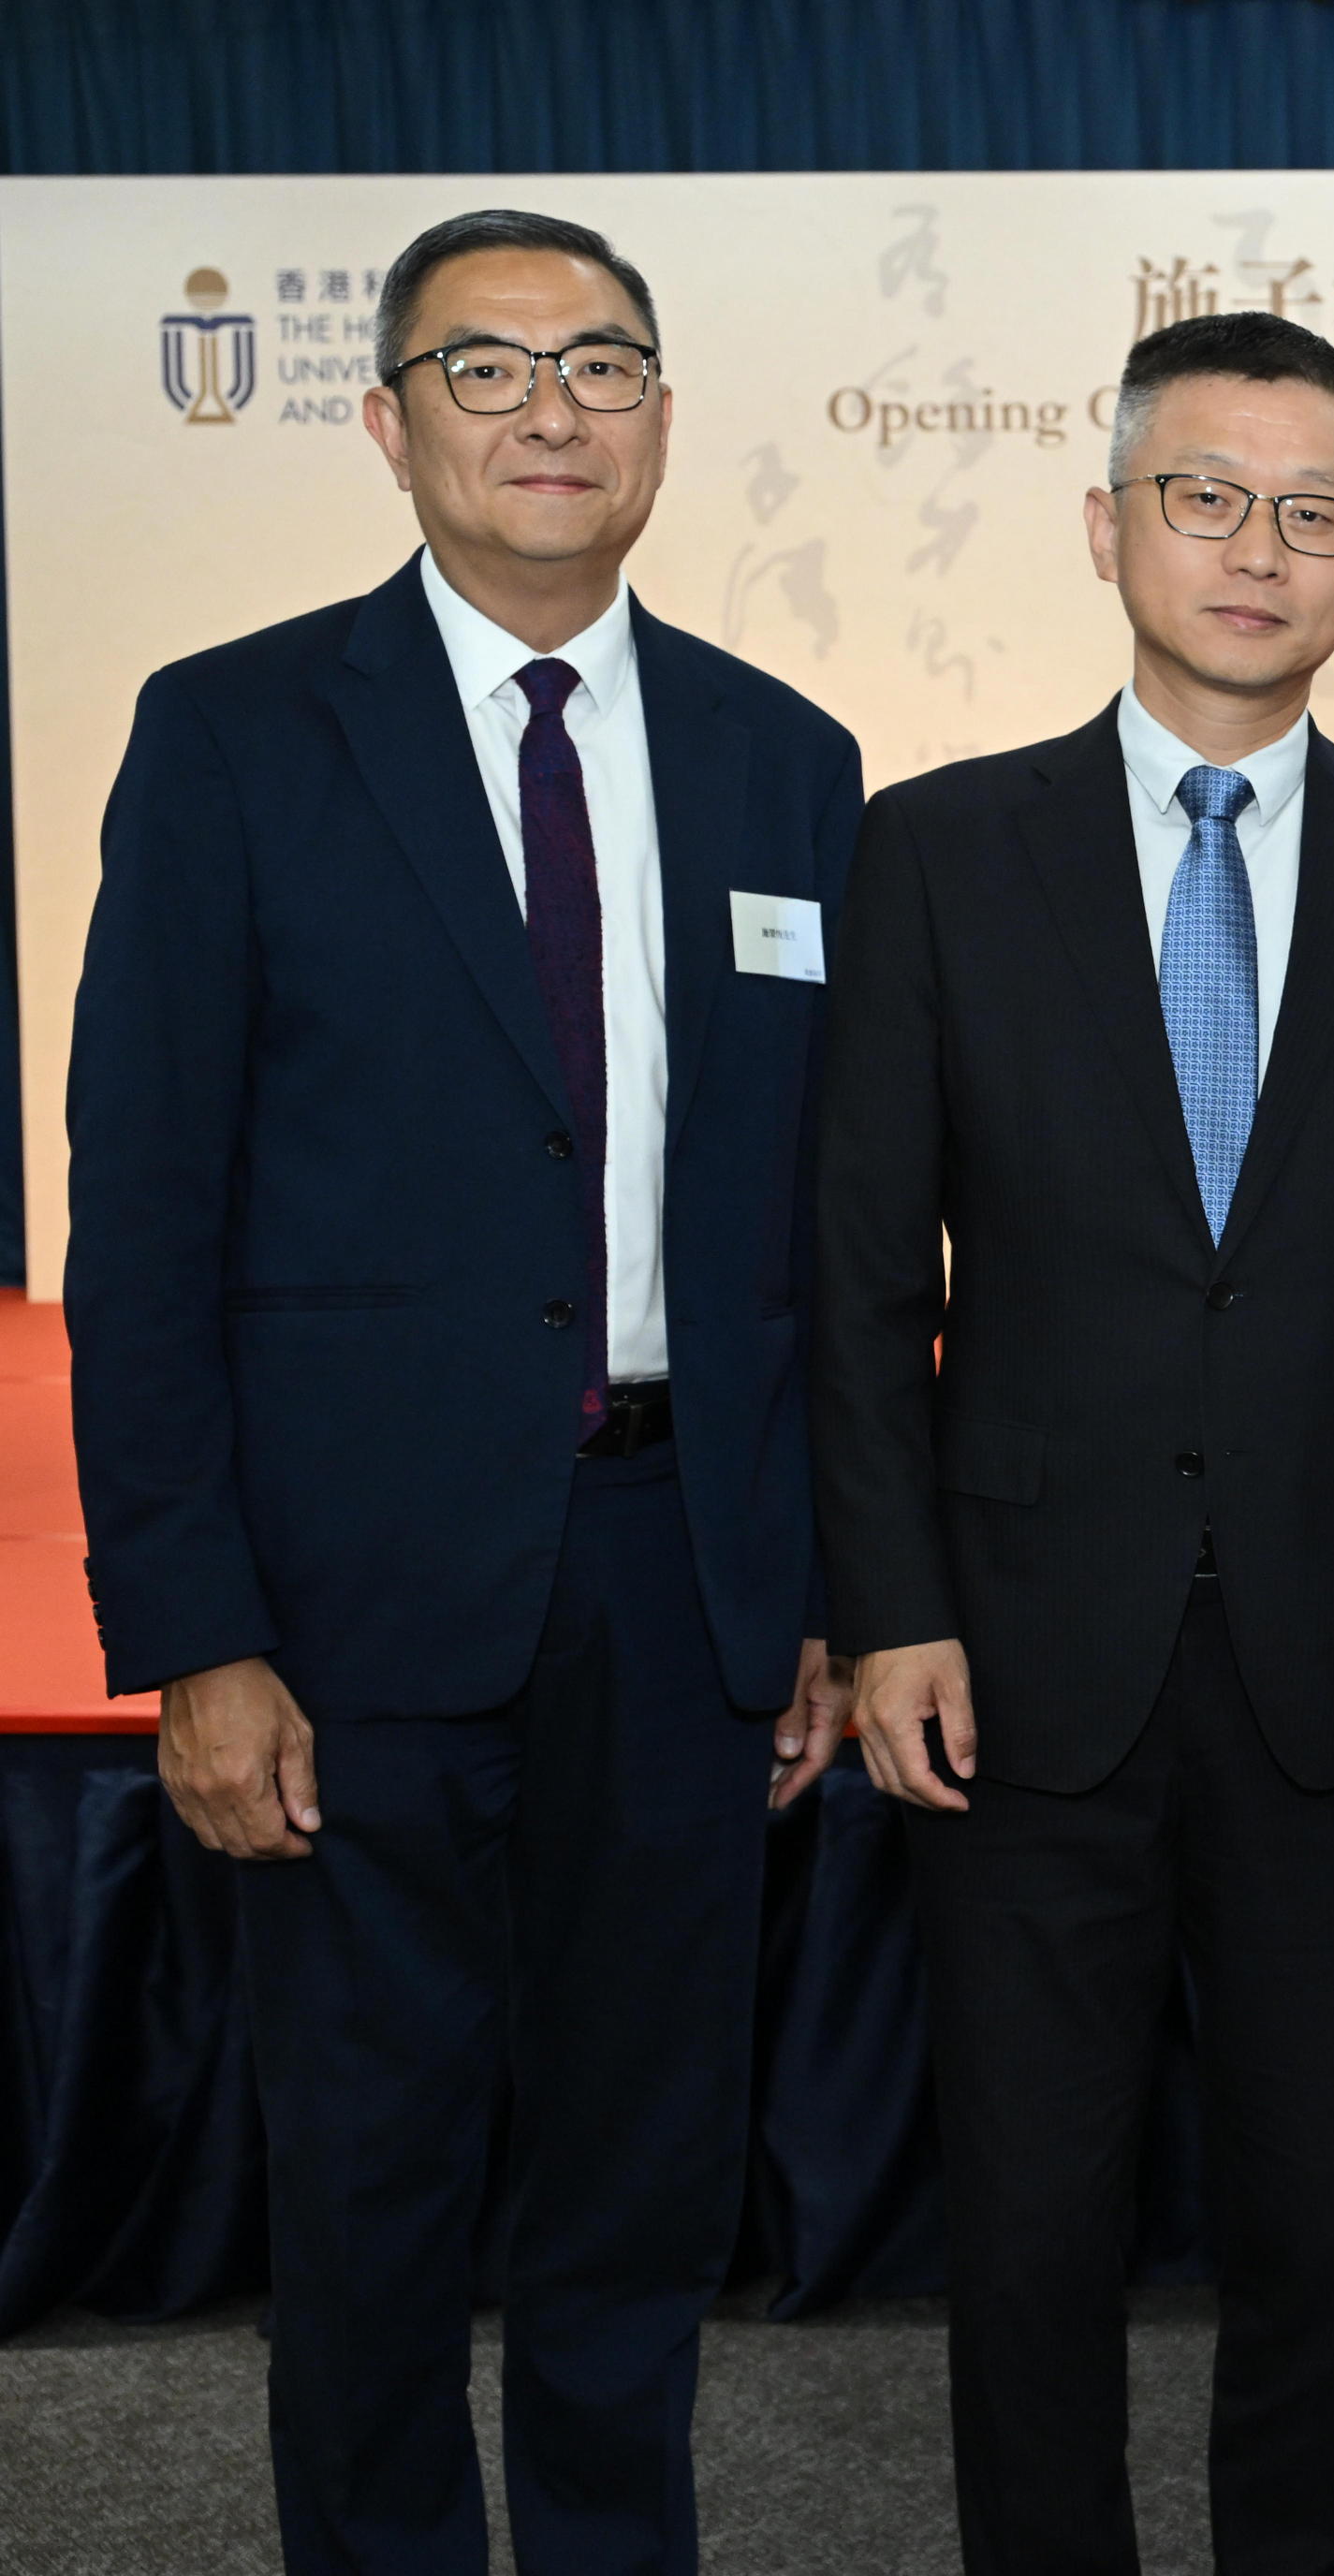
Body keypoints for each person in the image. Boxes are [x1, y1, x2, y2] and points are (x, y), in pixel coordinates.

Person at [67, 209, 857, 2574]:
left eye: (599, 365)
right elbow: (144, 1213)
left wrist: (818, 1584)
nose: (549, 412)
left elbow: (818, 1230)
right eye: (487, 368)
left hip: (682, 1575)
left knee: (641, 2185)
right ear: (389, 418)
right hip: (348, 1597)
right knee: (373, 2186)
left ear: (663, 419)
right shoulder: (234, 732)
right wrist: (197, 1628)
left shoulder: (784, 758)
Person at [814, 310, 1334, 2574]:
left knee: (1319, 2217)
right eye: (1207, 498)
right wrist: (890, 1607)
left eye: (1314, 515)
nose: (1257, 551)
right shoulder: (940, 850)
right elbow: (860, 1275)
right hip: (1018, 1635)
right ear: (1107, 522)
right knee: (1031, 2217)